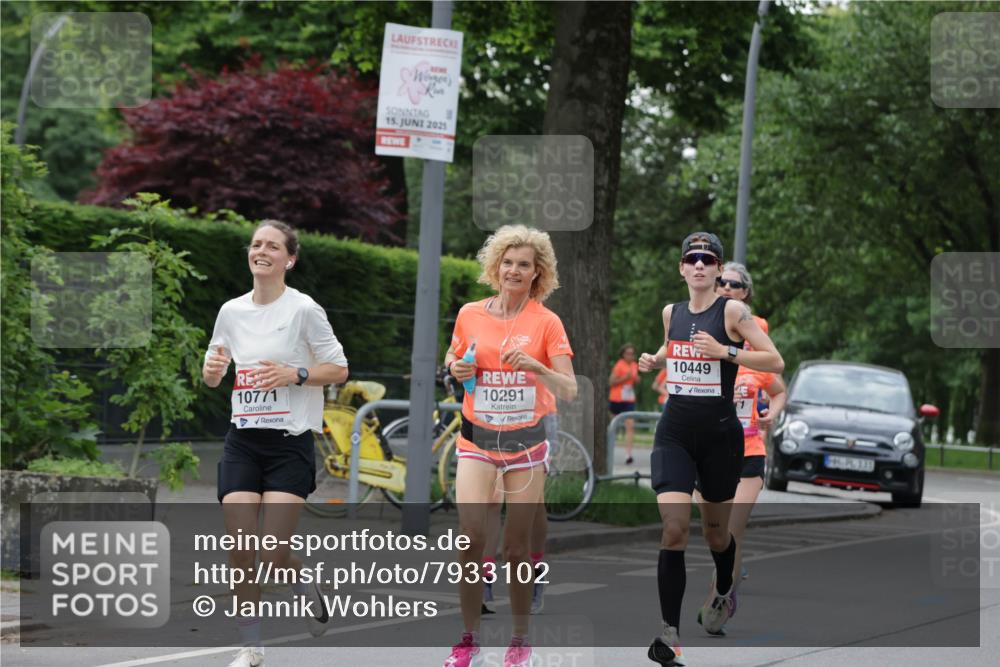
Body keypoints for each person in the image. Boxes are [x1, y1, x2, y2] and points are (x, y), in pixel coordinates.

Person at [202, 220, 349, 667]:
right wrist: (211, 371)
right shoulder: (230, 311)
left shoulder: (304, 309)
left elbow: (339, 369)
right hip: (242, 441)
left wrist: (296, 374)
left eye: (272, 245)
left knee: (271, 550)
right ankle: (251, 646)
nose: (261, 250)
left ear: (290, 259)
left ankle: (303, 584)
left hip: (289, 443)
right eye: (256, 244)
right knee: (242, 546)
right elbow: (213, 374)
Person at [638, 232, 783, 666]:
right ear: (682, 268)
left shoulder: (733, 311)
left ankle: (724, 585)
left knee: (718, 535)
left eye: (708, 259)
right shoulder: (672, 312)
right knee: (675, 530)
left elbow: (774, 361)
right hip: (675, 434)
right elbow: (673, 344)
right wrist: (656, 359)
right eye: (691, 258)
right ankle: (669, 635)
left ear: (719, 271)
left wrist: (727, 352)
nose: (699, 265)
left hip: (721, 438)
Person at [443, 225, 577, 667]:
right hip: (478, 439)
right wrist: (457, 370)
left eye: (524, 264)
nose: (514, 270)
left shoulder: (546, 321)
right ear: (495, 266)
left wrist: (537, 366)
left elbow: (570, 389)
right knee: (470, 538)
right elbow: (455, 358)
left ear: (537, 272)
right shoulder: (470, 313)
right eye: (508, 262)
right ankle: (468, 641)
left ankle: (520, 641)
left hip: (525, 446)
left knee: (515, 549)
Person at [694, 262, 788, 635]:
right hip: (711, 448)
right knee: (713, 533)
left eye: (734, 284)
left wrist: (771, 416)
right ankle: (727, 583)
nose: (726, 287)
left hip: (749, 448)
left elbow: (779, 390)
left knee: (733, 528)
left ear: (745, 292)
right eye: (722, 283)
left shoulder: (754, 346)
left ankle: (718, 597)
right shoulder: (701, 335)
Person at [609, 343, 640, 464]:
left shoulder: (634, 365)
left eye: (632, 354)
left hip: (629, 400)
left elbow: (635, 379)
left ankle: (628, 454)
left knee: (630, 426)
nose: (630, 356)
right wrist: (625, 378)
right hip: (616, 400)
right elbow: (611, 382)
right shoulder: (619, 365)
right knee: (613, 426)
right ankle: (609, 449)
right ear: (623, 354)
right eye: (628, 353)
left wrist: (636, 379)